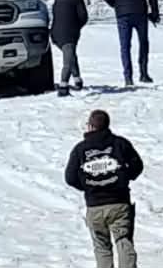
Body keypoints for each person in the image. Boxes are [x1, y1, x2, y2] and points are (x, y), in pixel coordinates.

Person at [64, 109, 144, 268]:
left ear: (91, 126)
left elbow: (70, 178)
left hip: (95, 206)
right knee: (124, 242)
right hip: (119, 203)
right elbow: (137, 165)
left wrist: (88, 186)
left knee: (102, 247)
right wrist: (123, 178)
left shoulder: (80, 149)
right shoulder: (120, 143)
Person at [99, 0, 160, 85]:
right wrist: (155, 12)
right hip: (140, 12)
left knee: (125, 46)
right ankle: (144, 73)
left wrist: (116, 5)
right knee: (143, 43)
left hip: (122, 15)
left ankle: (128, 77)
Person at [51, 0, 90, 96]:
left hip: (56, 34)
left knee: (71, 56)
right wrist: (77, 26)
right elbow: (83, 16)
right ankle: (63, 85)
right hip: (69, 33)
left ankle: (77, 79)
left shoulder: (57, 2)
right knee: (68, 60)